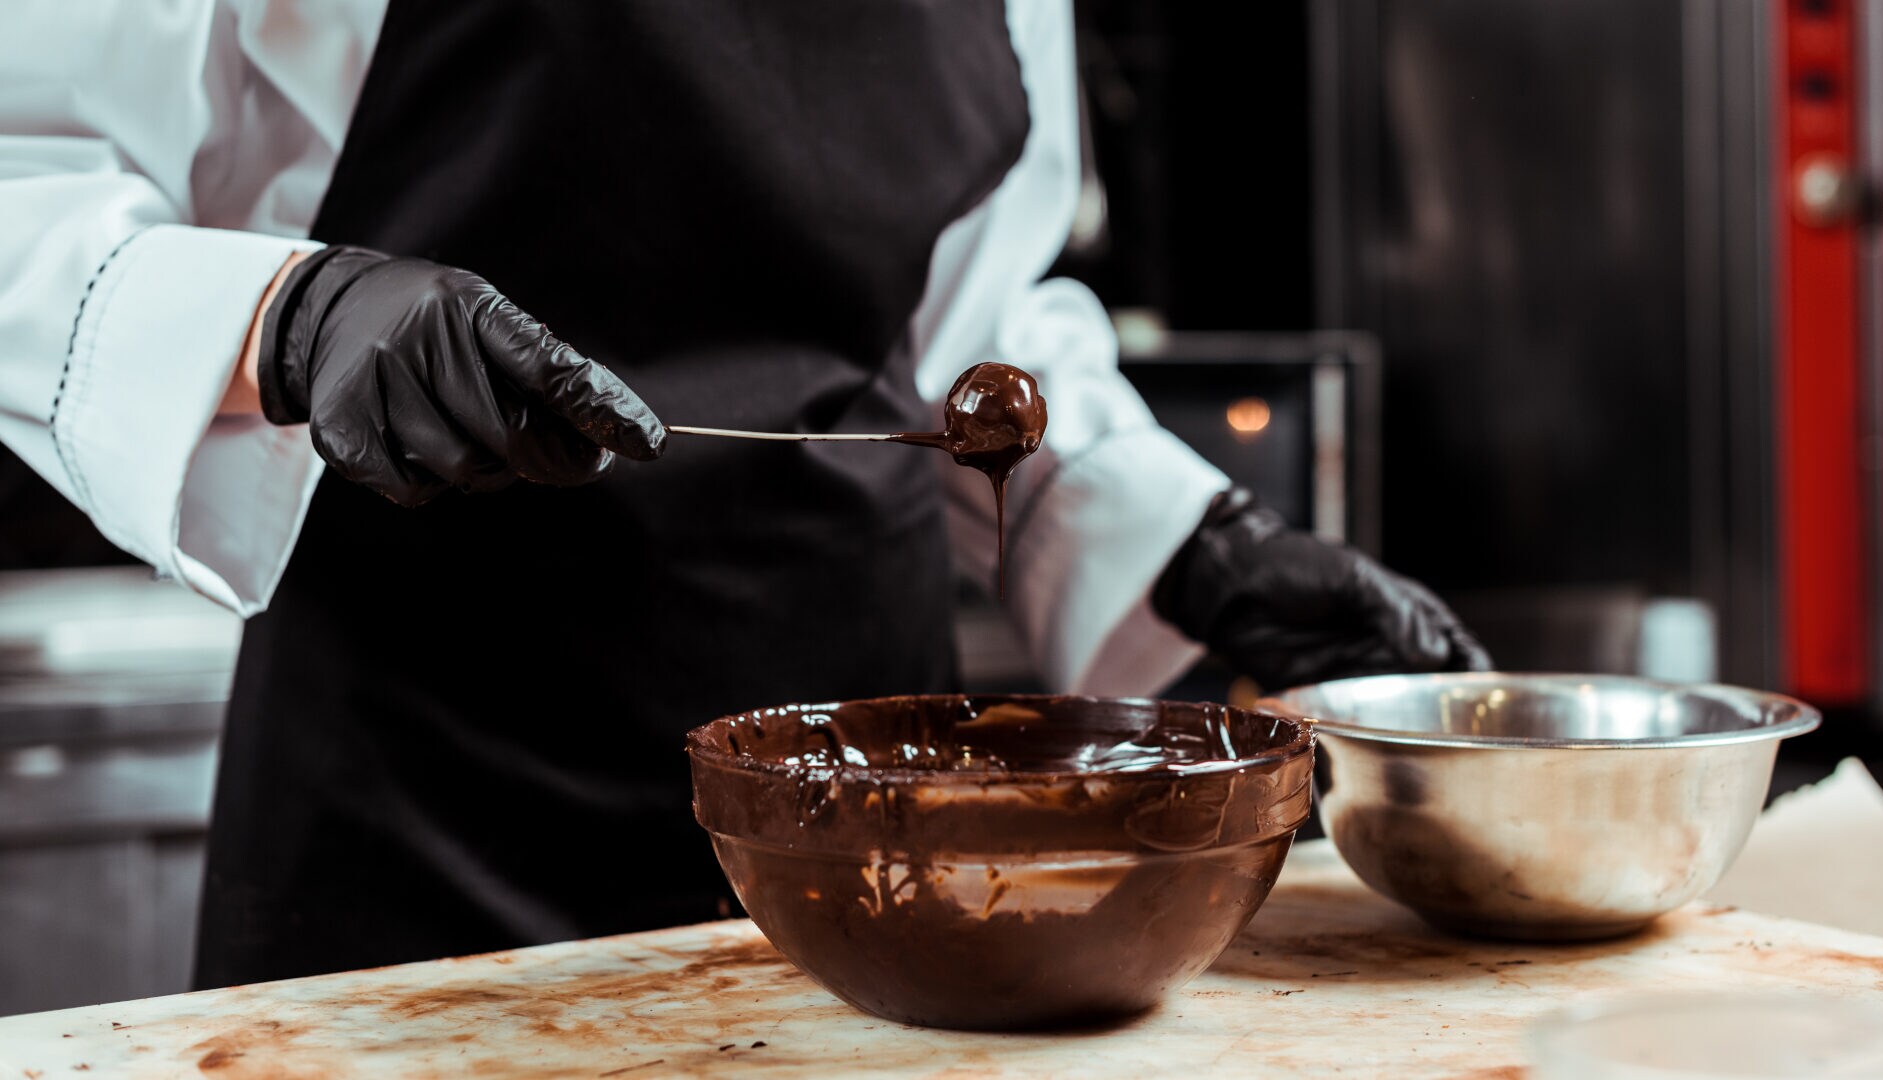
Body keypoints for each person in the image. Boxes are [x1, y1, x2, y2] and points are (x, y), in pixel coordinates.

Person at [0, 0, 1488, 987]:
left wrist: (1189, 538)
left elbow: (952, 318)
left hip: (884, 825)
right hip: (433, 800)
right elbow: (23, 166)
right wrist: (293, 321)